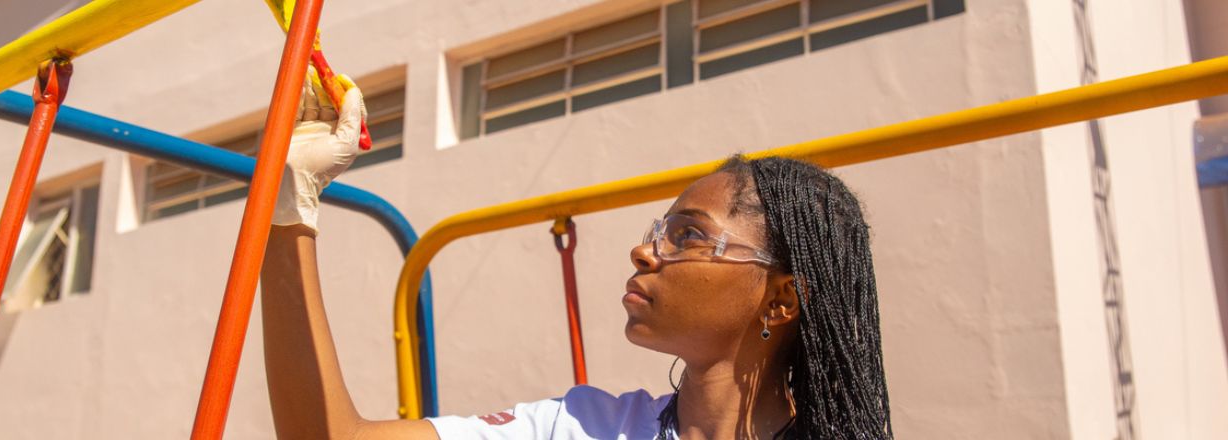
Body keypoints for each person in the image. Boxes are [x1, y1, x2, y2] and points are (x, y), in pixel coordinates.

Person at [261, 75, 894, 439]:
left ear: (781, 298)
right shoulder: (581, 427)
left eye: (689, 234)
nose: (645, 250)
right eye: (660, 228)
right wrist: (289, 207)